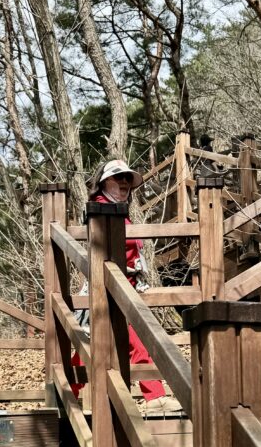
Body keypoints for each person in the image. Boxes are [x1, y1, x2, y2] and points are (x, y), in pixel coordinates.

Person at [71, 159, 180, 414]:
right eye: (118, 177)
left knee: (130, 340)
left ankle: (153, 396)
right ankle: (68, 393)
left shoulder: (121, 211)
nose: (123, 183)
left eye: (127, 179)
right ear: (104, 182)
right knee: (88, 342)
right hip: (106, 286)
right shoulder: (98, 208)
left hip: (128, 286)